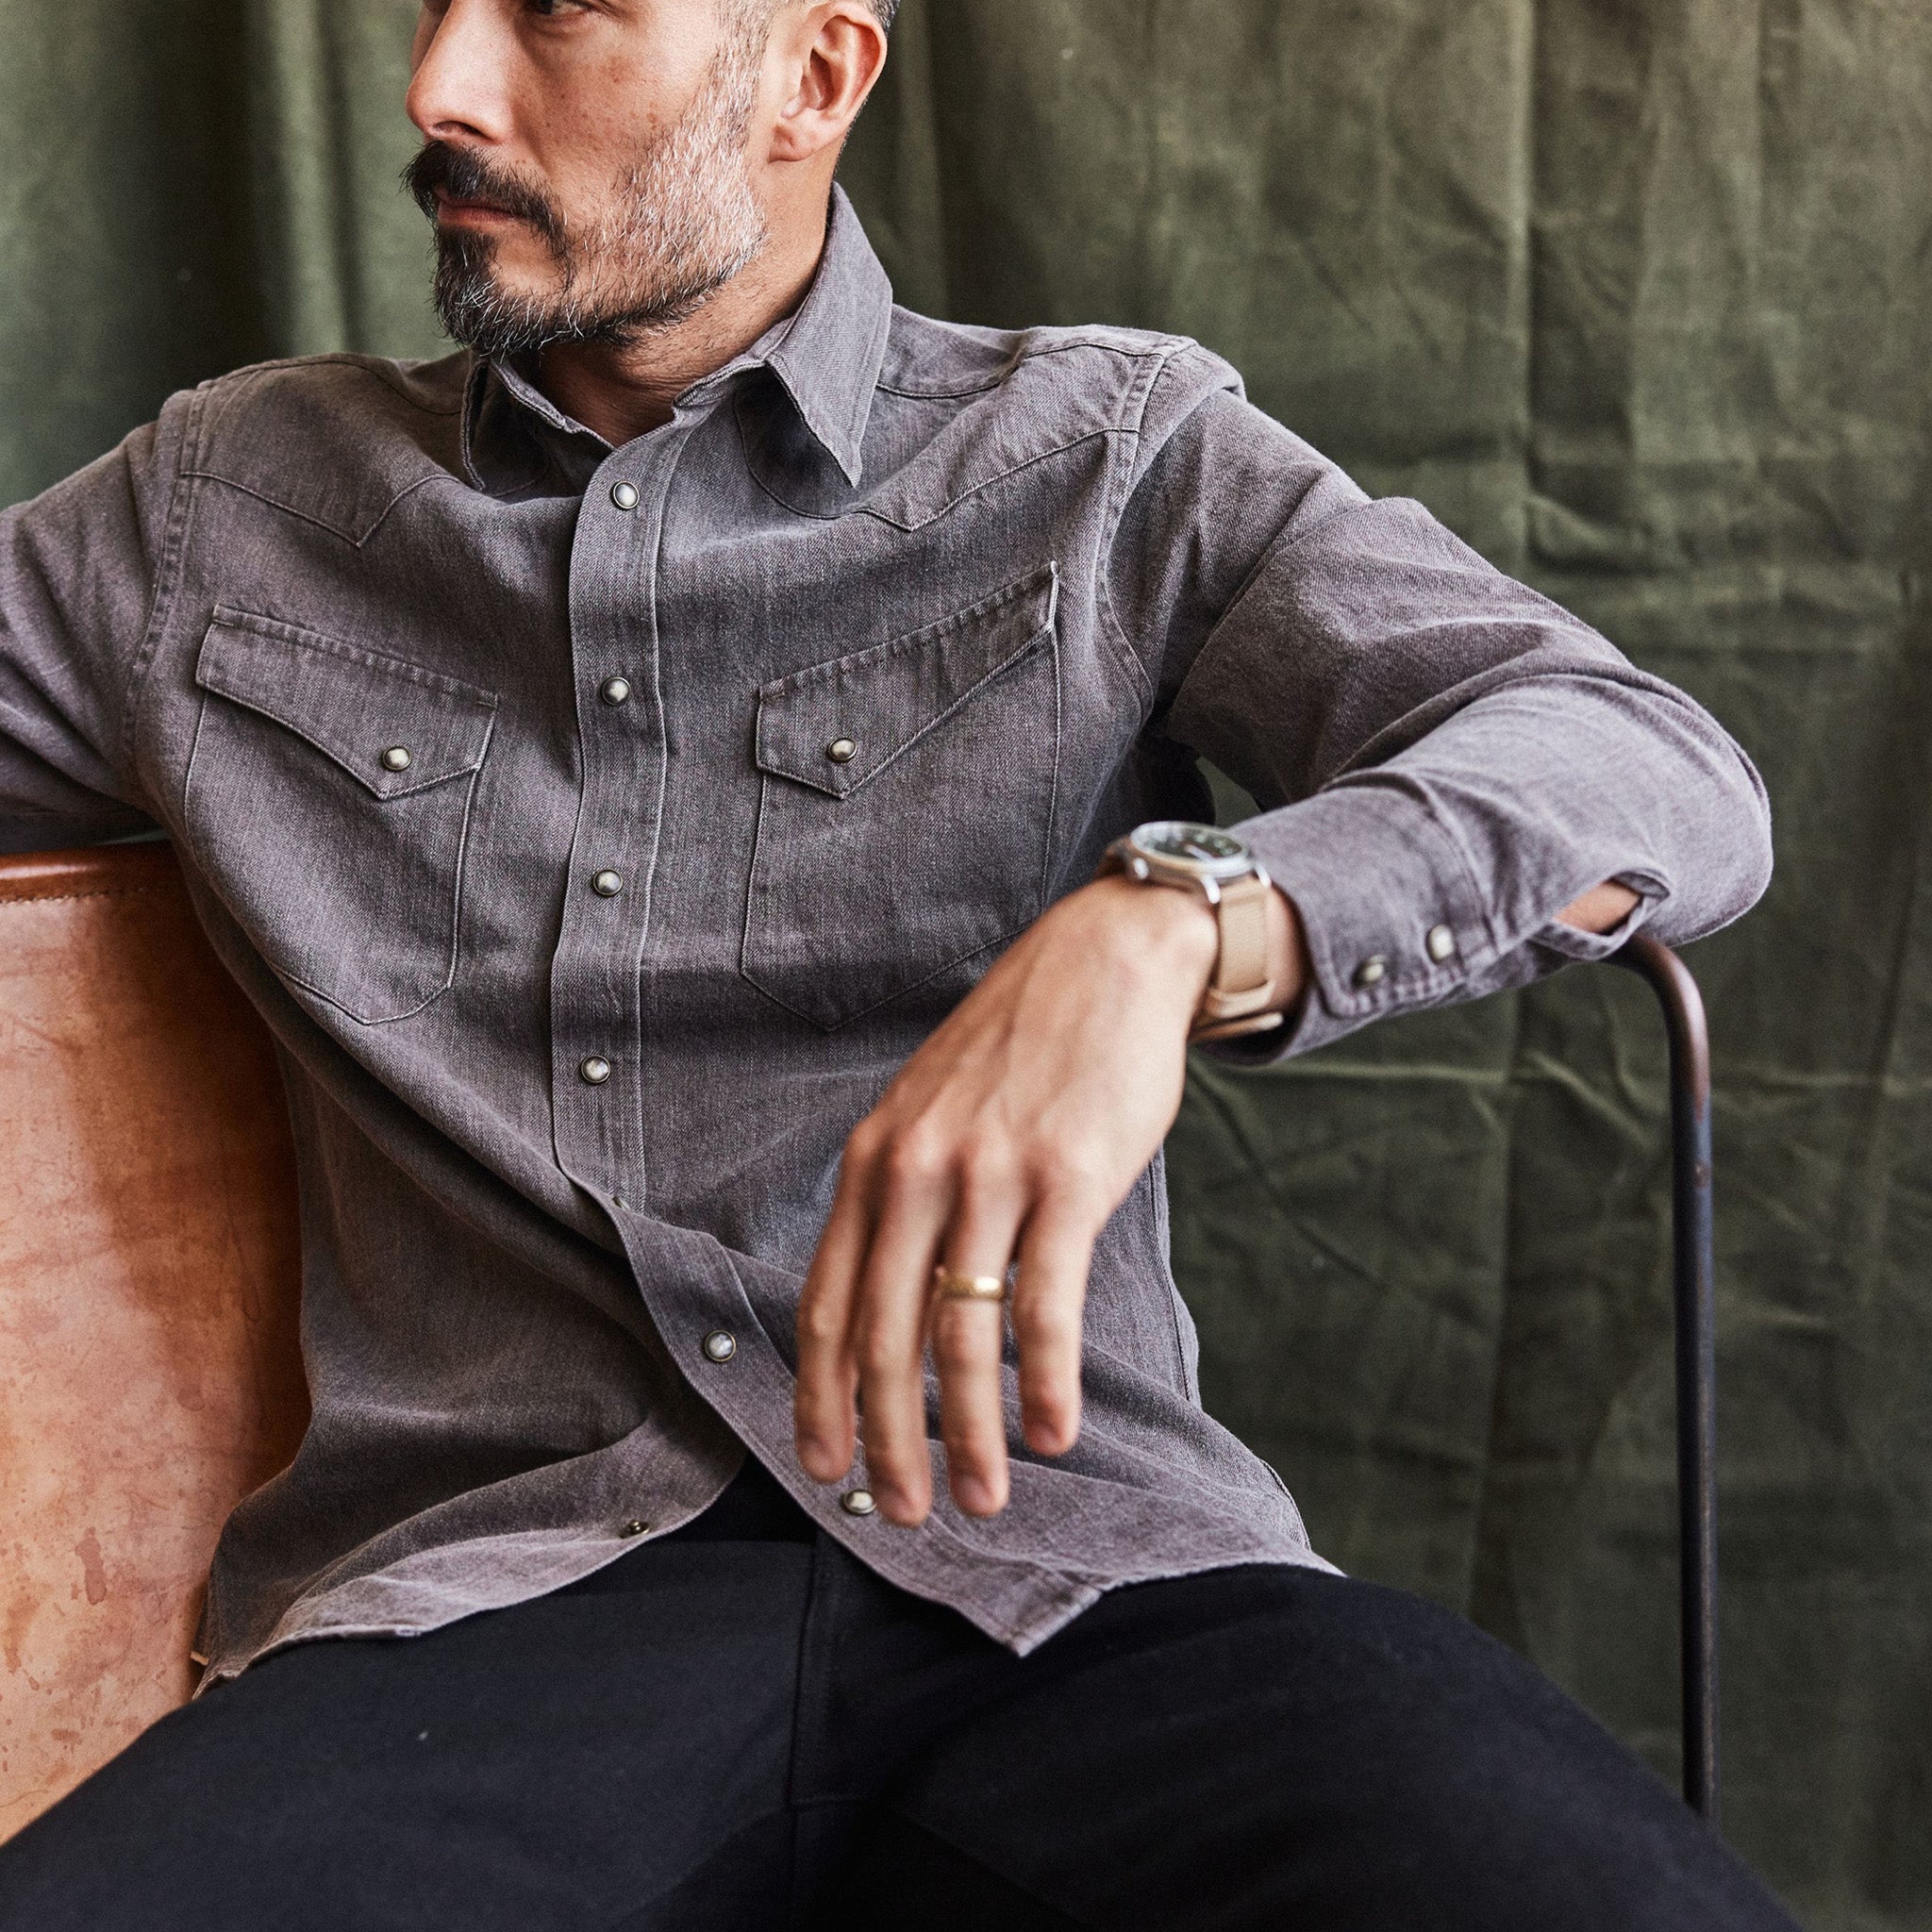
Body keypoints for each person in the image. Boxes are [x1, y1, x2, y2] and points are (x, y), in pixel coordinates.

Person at [0, 2, 1795, 1925]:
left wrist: (1181, 919)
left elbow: (1648, 768)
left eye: (557, 12)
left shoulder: (1105, 461)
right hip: (480, 1627)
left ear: (814, 77)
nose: (441, 84)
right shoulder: (225, 512)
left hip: (1080, 1583)